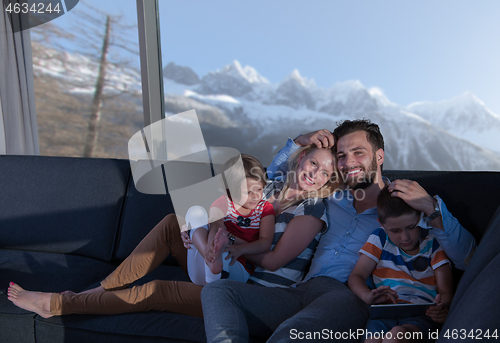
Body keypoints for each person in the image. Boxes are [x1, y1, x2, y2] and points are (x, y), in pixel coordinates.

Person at [201, 119, 476, 343]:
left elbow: (467, 257)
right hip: (300, 290)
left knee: (291, 335)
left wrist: (432, 207)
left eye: (358, 152)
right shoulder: (330, 196)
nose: (348, 162)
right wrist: (299, 142)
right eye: (342, 156)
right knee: (218, 292)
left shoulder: (401, 206)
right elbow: (272, 181)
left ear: (379, 156)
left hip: (348, 297)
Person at [7, 145, 339, 320]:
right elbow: (220, 212)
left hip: (252, 290)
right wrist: (199, 237)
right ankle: (87, 295)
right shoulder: (266, 188)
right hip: (219, 264)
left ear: (329, 181)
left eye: (326, 172)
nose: (316, 174)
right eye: (313, 163)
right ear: (300, 160)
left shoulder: (313, 209)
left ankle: (59, 305)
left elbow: (273, 258)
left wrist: (224, 245)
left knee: (158, 291)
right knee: (171, 222)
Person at [348, 186, 454, 343]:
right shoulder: (380, 239)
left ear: (421, 218)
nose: (405, 237)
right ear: (382, 225)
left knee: (396, 335)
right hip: (384, 314)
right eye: (395, 231)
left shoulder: (432, 243)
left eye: (411, 227)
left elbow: (446, 291)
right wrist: (367, 295)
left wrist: (442, 307)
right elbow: (357, 276)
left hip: (421, 316)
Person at [186, 153, 275, 286]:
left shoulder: (265, 209)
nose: (255, 196)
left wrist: (241, 249)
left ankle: (214, 270)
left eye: (259, 189)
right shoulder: (222, 203)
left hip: (237, 268)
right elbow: (216, 227)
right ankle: (210, 257)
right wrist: (212, 249)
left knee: (223, 245)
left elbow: (265, 243)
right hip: (202, 268)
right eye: (248, 192)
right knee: (195, 212)